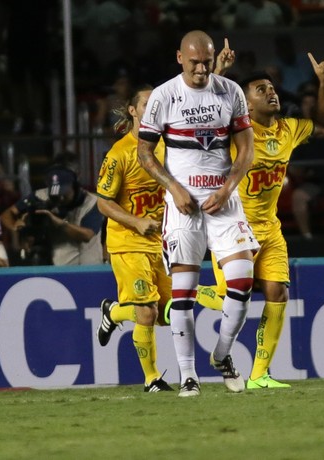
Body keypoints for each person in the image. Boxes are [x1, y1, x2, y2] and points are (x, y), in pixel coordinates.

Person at [136, 30, 260, 397]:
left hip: (223, 201)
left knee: (242, 281)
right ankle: (188, 375)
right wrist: (173, 189)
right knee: (184, 294)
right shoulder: (164, 96)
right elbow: (145, 153)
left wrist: (227, 189)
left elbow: (246, 150)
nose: (202, 69)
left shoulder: (230, 91)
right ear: (179, 58)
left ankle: (222, 355)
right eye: (194, 63)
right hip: (183, 207)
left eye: (207, 62)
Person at [212, 47, 324, 388]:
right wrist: (220, 70)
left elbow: (321, 125)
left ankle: (259, 375)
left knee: (277, 292)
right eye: (261, 89)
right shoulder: (235, 131)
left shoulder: (287, 130)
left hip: (271, 228)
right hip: (234, 227)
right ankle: (184, 295)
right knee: (231, 297)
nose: (271, 92)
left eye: (272, 87)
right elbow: (208, 114)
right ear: (247, 104)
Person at [95, 84, 222, 392]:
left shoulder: (168, 146)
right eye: (147, 103)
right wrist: (135, 222)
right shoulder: (119, 153)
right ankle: (152, 379)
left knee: (168, 314)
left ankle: (112, 311)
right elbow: (102, 202)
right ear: (133, 110)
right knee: (147, 311)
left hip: (160, 242)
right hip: (127, 241)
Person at [1, 161, 104, 266]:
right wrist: (17, 228)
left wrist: (60, 223)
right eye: (56, 194)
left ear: (74, 186)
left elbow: (87, 235)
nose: (60, 198)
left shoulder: (91, 201)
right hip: (58, 265)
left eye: (64, 193)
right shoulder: (40, 196)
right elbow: (7, 215)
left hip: (87, 265)